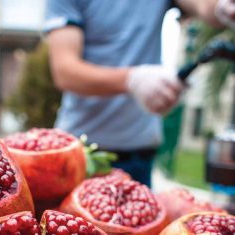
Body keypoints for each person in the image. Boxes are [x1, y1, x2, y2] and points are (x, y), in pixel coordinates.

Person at [44, 0, 235, 187]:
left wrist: (222, 7)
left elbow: (202, 4)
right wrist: (132, 79)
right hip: (81, 154)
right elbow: (64, 72)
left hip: (139, 157)